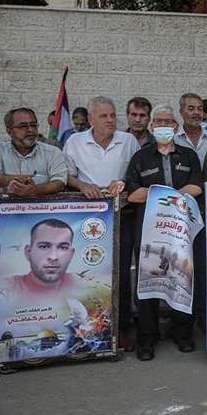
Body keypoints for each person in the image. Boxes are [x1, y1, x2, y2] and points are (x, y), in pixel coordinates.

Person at [125, 104, 204, 361]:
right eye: (158, 122)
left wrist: (167, 195)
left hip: (181, 229)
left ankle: (182, 334)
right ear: (152, 126)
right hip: (150, 229)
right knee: (149, 279)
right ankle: (147, 338)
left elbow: (196, 186)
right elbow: (133, 194)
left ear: (175, 126)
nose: (162, 126)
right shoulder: (140, 157)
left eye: (167, 122)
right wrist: (170, 196)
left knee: (182, 276)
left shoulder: (188, 156)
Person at [62, 96, 140, 351]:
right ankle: (90, 327)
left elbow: (136, 173)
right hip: (87, 219)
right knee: (90, 273)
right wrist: (82, 185)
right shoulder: (75, 142)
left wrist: (124, 183)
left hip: (122, 215)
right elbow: (66, 175)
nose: (110, 120)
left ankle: (121, 327)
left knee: (121, 273)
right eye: (104, 116)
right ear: (91, 119)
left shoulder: (128, 141)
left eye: (113, 115)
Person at [0, 108, 68, 196]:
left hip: (41, 204)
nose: (30, 130)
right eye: (23, 126)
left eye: (33, 125)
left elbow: (59, 183)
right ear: (9, 131)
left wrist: (33, 190)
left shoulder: (53, 152)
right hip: (4, 204)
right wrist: (14, 179)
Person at [0, 219, 82, 304]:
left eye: (63, 247)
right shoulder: (6, 288)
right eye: (43, 247)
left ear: (71, 255)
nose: (53, 257)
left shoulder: (84, 285)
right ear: (28, 252)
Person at [174, 93, 207, 165]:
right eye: (191, 109)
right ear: (182, 112)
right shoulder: (174, 139)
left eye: (200, 109)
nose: (197, 112)